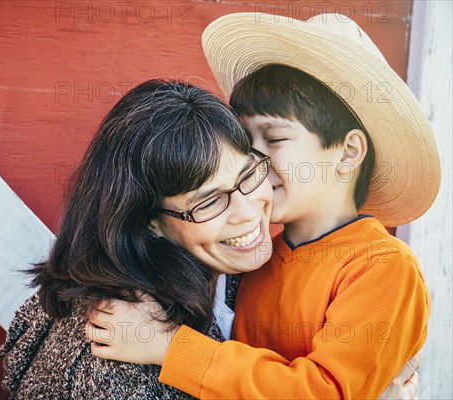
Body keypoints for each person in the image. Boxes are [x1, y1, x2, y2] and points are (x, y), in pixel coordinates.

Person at [86, 13, 440, 399]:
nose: (254, 157)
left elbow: (322, 393)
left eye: (273, 138)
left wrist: (172, 348)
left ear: (348, 152)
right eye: (246, 139)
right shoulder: (254, 259)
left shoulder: (382, 268)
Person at [0, 78, 275, 398]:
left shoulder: (222, 272)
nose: (248, 212)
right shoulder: (123, 351)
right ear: (149, 222)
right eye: (209, 201)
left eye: (248, 174)